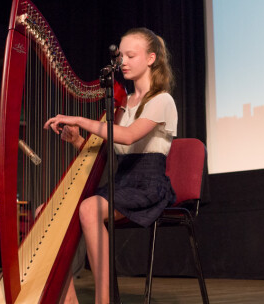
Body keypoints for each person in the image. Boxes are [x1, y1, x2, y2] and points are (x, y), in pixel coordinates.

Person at [44, 27, 177, 304]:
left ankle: (103, 301)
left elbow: (127, 136)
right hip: (122, 183)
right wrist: (78, 140)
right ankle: (67, 300)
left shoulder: (162, 100)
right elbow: (112, 150)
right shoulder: (123, 103)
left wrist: (80, 119)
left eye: (131, 55)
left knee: (88, 208)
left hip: (148, 186)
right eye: (121, 56)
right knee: (47, 212)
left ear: (151, 58)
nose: (123, 62)